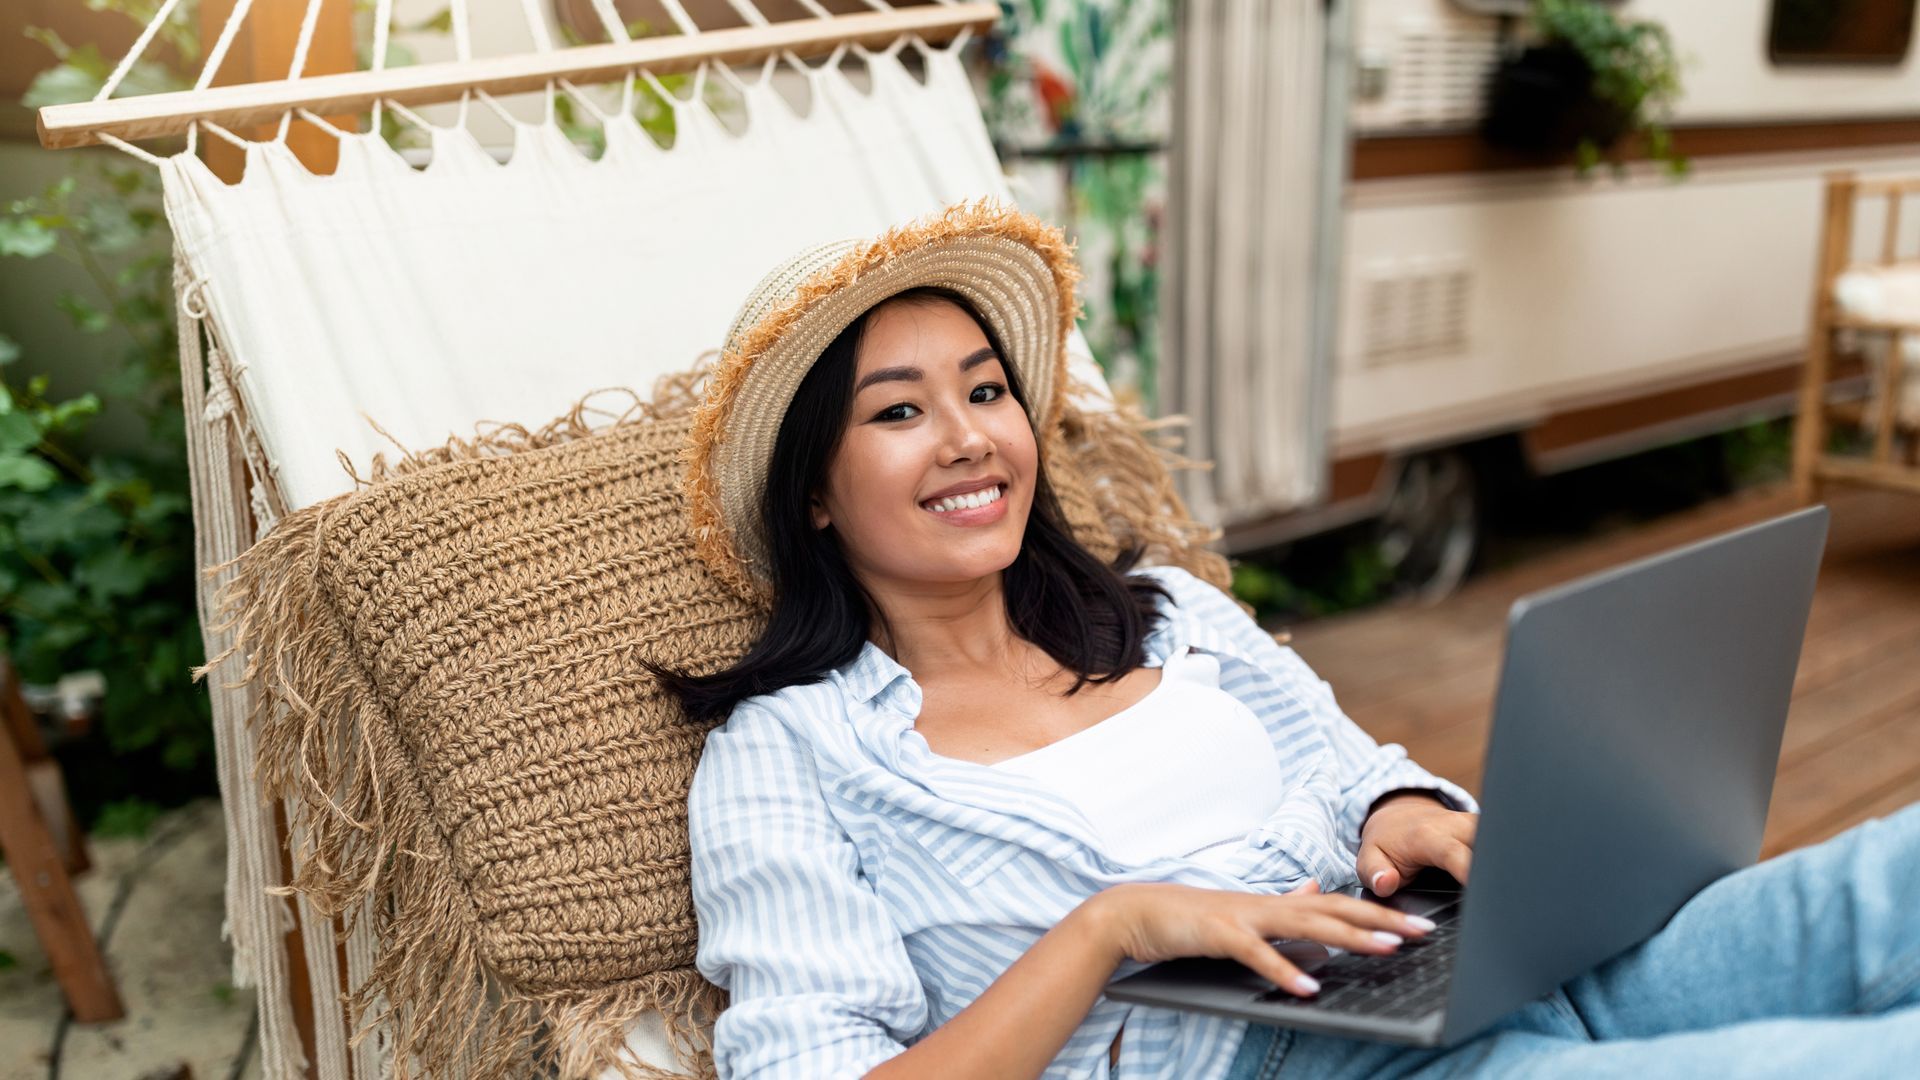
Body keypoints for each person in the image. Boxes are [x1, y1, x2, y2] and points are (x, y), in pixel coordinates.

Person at [663, 202, 1920, 1079]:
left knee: (1885, 885)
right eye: (900, 411)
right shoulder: (791, 756)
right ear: (815, 492)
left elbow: (1348, 760)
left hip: (1478, 962)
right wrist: (1110, 927)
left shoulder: (1161, 610)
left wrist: (1399, 813)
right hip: (1290, 1066)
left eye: (986, 391)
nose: (971, 437)